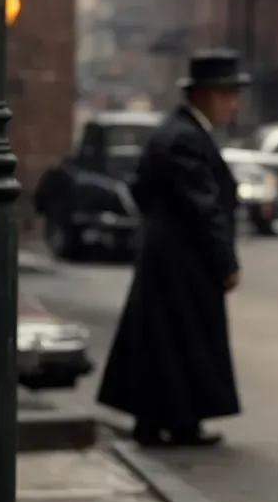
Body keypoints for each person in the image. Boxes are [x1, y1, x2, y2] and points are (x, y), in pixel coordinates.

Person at [97, 49, 249, 447]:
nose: (232, 104)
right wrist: (225, 261)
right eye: (226, 94)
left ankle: (177, 421)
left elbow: (142, 189)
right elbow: (205, 207)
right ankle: (169, 422)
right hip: (184, 260)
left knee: (172, 341)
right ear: (203, 95)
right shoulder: (184, 138)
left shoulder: (176, 132)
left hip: (172, 257)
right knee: (177, 340)